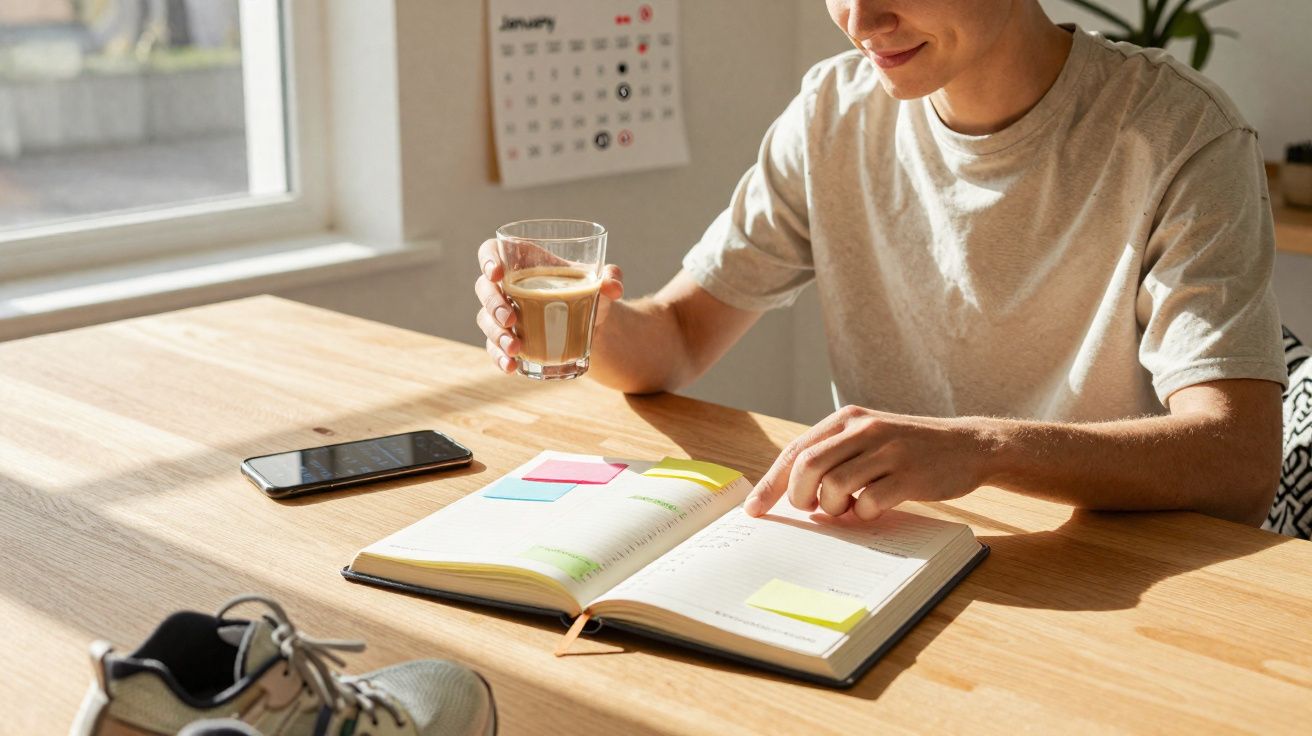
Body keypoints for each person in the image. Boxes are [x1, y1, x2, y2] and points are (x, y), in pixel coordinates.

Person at [475, 0, 1287, 526]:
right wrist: (599, 321)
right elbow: (681, 338)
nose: (860, 19)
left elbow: (1236, 461)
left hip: (1114, 582)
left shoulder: (1182, 134)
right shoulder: (833, 112)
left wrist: (984, 449)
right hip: (889, 560)